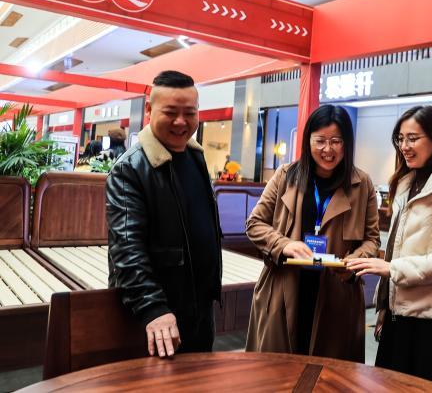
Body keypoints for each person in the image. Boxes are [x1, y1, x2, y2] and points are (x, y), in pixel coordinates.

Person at [347, 105, 432, 389]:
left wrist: (391, 269)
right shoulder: (405, 183)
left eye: (413, 138)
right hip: (398, 321)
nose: (404, 146)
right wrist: (384, 307)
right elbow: (396, 246)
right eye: (400, 139)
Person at [245, 104, 380, 362]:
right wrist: (283, 244)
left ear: (347, 143)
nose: (328, 149)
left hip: (337, 292)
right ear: (308, 141)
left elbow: (372, 239)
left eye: (336, 141)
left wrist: (354, 261)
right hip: (284, 288)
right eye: (320, 141)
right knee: (278, 370)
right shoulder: (285, 176)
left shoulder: (362, 184)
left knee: (328, 374)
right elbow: (255, 223)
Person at [106, 70, 222, 358]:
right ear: (149, 110)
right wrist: (153, 307)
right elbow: (127, 248)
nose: (181, 122)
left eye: (189, 113)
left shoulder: (195, 156)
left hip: (199, 309)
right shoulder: (129, 169)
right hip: (154, 318)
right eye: (170, 112)